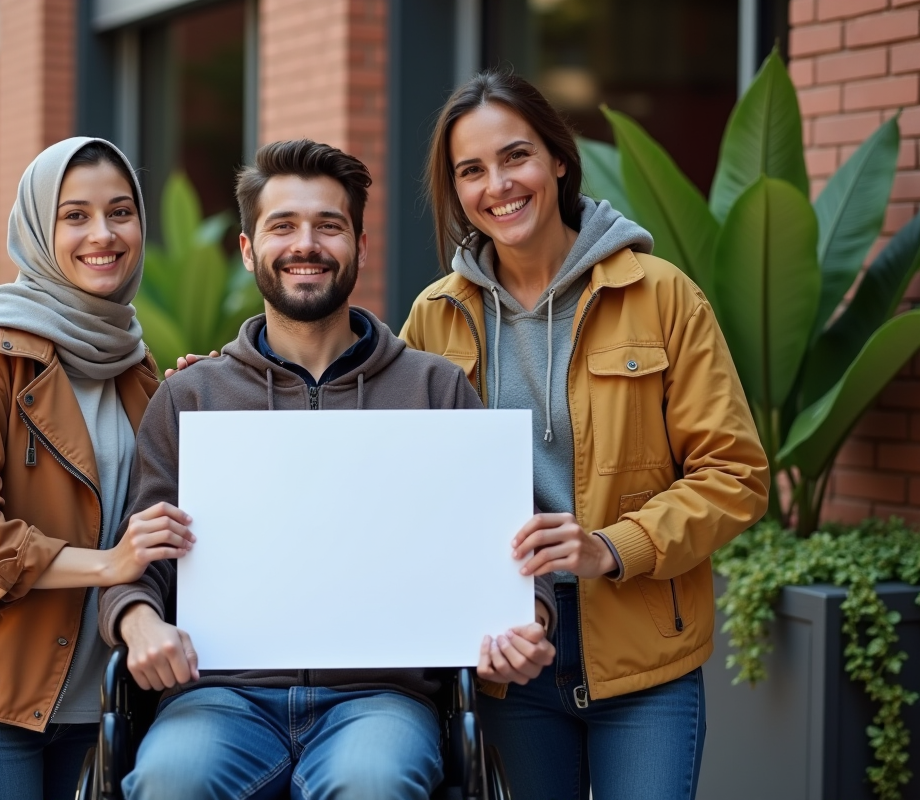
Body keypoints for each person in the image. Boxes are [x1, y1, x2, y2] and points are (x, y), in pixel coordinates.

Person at [98, 139, 557, 800]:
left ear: (361, 247)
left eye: (329, 226)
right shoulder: (191, 397)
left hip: (380, 700)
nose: (305, 244)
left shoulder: (434, 389)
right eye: (282, 226)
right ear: (249, 250)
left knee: (373, 782)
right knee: (169, 779)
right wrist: (137, 621)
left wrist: (530, 620)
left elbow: (514, 548)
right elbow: (137, 561)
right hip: (220, 696)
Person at [399, 71, 771, 798]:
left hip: (643, 649)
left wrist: (609, 546)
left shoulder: (662, 295)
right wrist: (228, 377)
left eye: (516, 157)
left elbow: (735, 474)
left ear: (559, 160)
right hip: (512, 652)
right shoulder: (434, 316)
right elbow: (399, 476)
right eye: (470, 170)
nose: (498, 185)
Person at [0, 138, 193, 800]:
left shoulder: (135, 364)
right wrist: (107, 564)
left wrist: (195, 405)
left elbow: (159, 517)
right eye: (75, 215)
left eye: (120, 212)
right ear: (38, 227)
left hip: (94, 698)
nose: (103, 234)